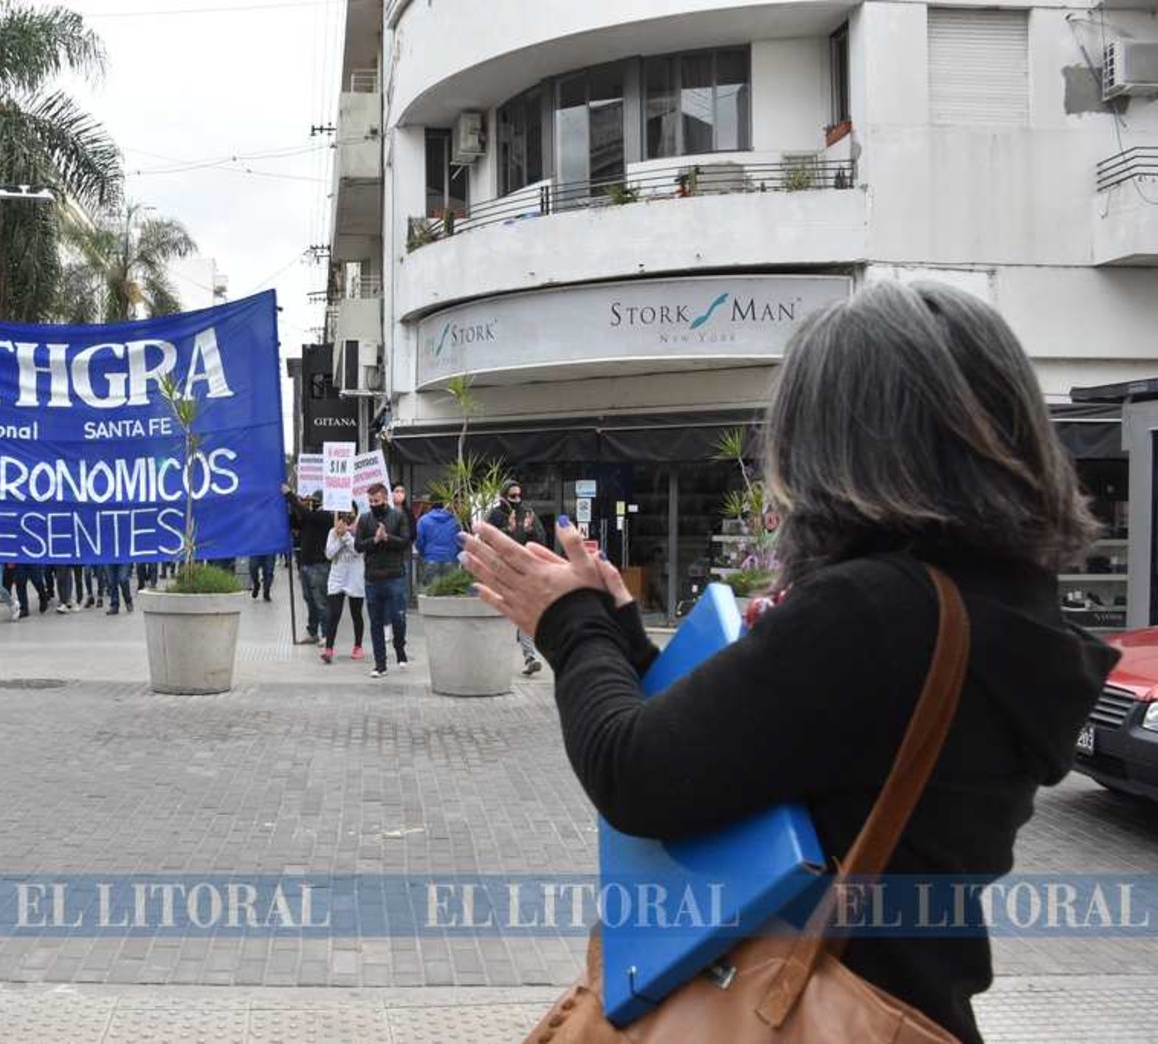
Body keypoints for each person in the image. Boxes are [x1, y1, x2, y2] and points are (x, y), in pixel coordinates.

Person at [458, 281, 1119, 1044]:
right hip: (912, 1006)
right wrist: (620, 636)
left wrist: (569, 627)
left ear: (841, 443)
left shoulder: (875, 611)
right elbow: (758, 750)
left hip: (802, 1010)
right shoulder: (996, 606)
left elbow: (636, 777)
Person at [485, 480, 547, 675]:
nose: (517, 500)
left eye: (519, 495)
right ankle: (491, 658)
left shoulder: (527, 513)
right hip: (500, 570)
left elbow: (541, 539)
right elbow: (486, 540)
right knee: (498, 613)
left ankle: (530, 657)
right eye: (513, 496)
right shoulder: (494, 515)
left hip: (521, 570)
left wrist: (531, 531)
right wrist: (508, 530)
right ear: (504, 496)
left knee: (524, 613)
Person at [354, 482, 412, 678]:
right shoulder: (364, 519)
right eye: (370, 501)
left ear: (385, 499)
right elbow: (358, 546)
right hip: (372, 578)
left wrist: (387, 537)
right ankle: (380, 664)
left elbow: (405, 542)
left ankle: (400, 648)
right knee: (376, 622)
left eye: (376, 500)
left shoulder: (398, 517)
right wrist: (375, 540)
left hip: (394, 576)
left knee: (398, 618)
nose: (373, 504)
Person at [285, 486, 334, 645]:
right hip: (306, 564)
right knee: (309, 600)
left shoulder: (327, 517)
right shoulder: (310, 517)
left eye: (315, 502)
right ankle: (312, 631)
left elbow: (307, 515)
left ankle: (326, 634)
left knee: (320, 601)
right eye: (311, 501)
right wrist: (293, 509)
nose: (312, 504)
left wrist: (291, 497)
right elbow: (295, 523)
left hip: (319, 565)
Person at [321, 512, 365, 663]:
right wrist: (339, 536)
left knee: (356, 614)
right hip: (337, 579)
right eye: (342, 517)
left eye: (349, 517)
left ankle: (358, 646)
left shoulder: (361, 530)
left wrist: (346, 535)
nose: (345, 520)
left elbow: (357, 551)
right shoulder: (332, 532)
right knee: (334, 614)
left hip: (355, 577)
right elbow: (329, 554)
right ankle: (328, 649)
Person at [414, 496, 461, 589]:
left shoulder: (423, 520)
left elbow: (419, 541)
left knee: (430, 592)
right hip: (450, 558)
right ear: (445, 504)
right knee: (450, 592)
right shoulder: (455, 520)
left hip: (431, 558)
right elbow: (460, 541)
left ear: (430, 505)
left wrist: (424, 553)